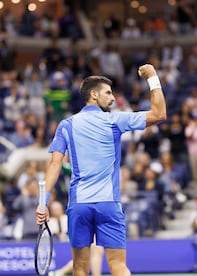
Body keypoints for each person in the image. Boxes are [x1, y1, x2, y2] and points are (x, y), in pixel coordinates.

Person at [36, 64, 166, 276]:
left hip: (79, 205)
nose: (113, 98)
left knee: (79, 269)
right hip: (108, 204)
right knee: (119, 267)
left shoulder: (66, 125)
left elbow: (54, 164)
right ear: (93, 95)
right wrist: (152, 77)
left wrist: (44, 201)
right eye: (108, 93)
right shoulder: (114, 120)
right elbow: (159, 114)